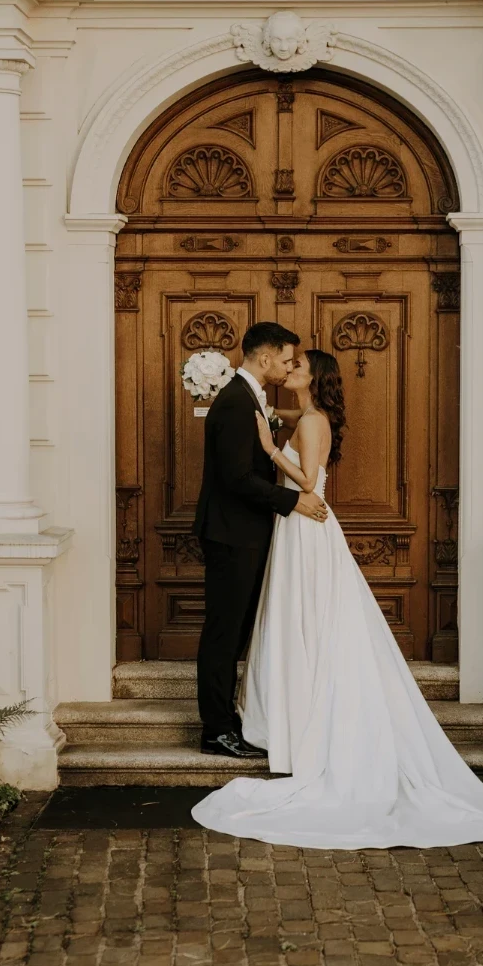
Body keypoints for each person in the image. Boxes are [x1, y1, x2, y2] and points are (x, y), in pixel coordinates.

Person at [192, 348, 483, 848]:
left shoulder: (313, 423)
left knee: (307, 619)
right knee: (301, 619)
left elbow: (310, 484)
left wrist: (269, 449)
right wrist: (259, 410)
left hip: (305, 527)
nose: (287, 371)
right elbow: (286, 415)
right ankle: (289, 714)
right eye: (286, 364)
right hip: (295, 530)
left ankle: (300, 721)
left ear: (314, 379)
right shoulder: (308, 414)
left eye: (297, 368)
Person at [194, 322, 328, 760]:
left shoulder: (249, 398)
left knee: (234, 635)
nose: (289, 366)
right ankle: (216, 730)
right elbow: (236, 479)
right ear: (266, 357)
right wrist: (292, 503)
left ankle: (229, 720)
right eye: (287, 359)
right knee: (223, 635)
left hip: (246, 533)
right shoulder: (236, 402)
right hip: (232, 535)